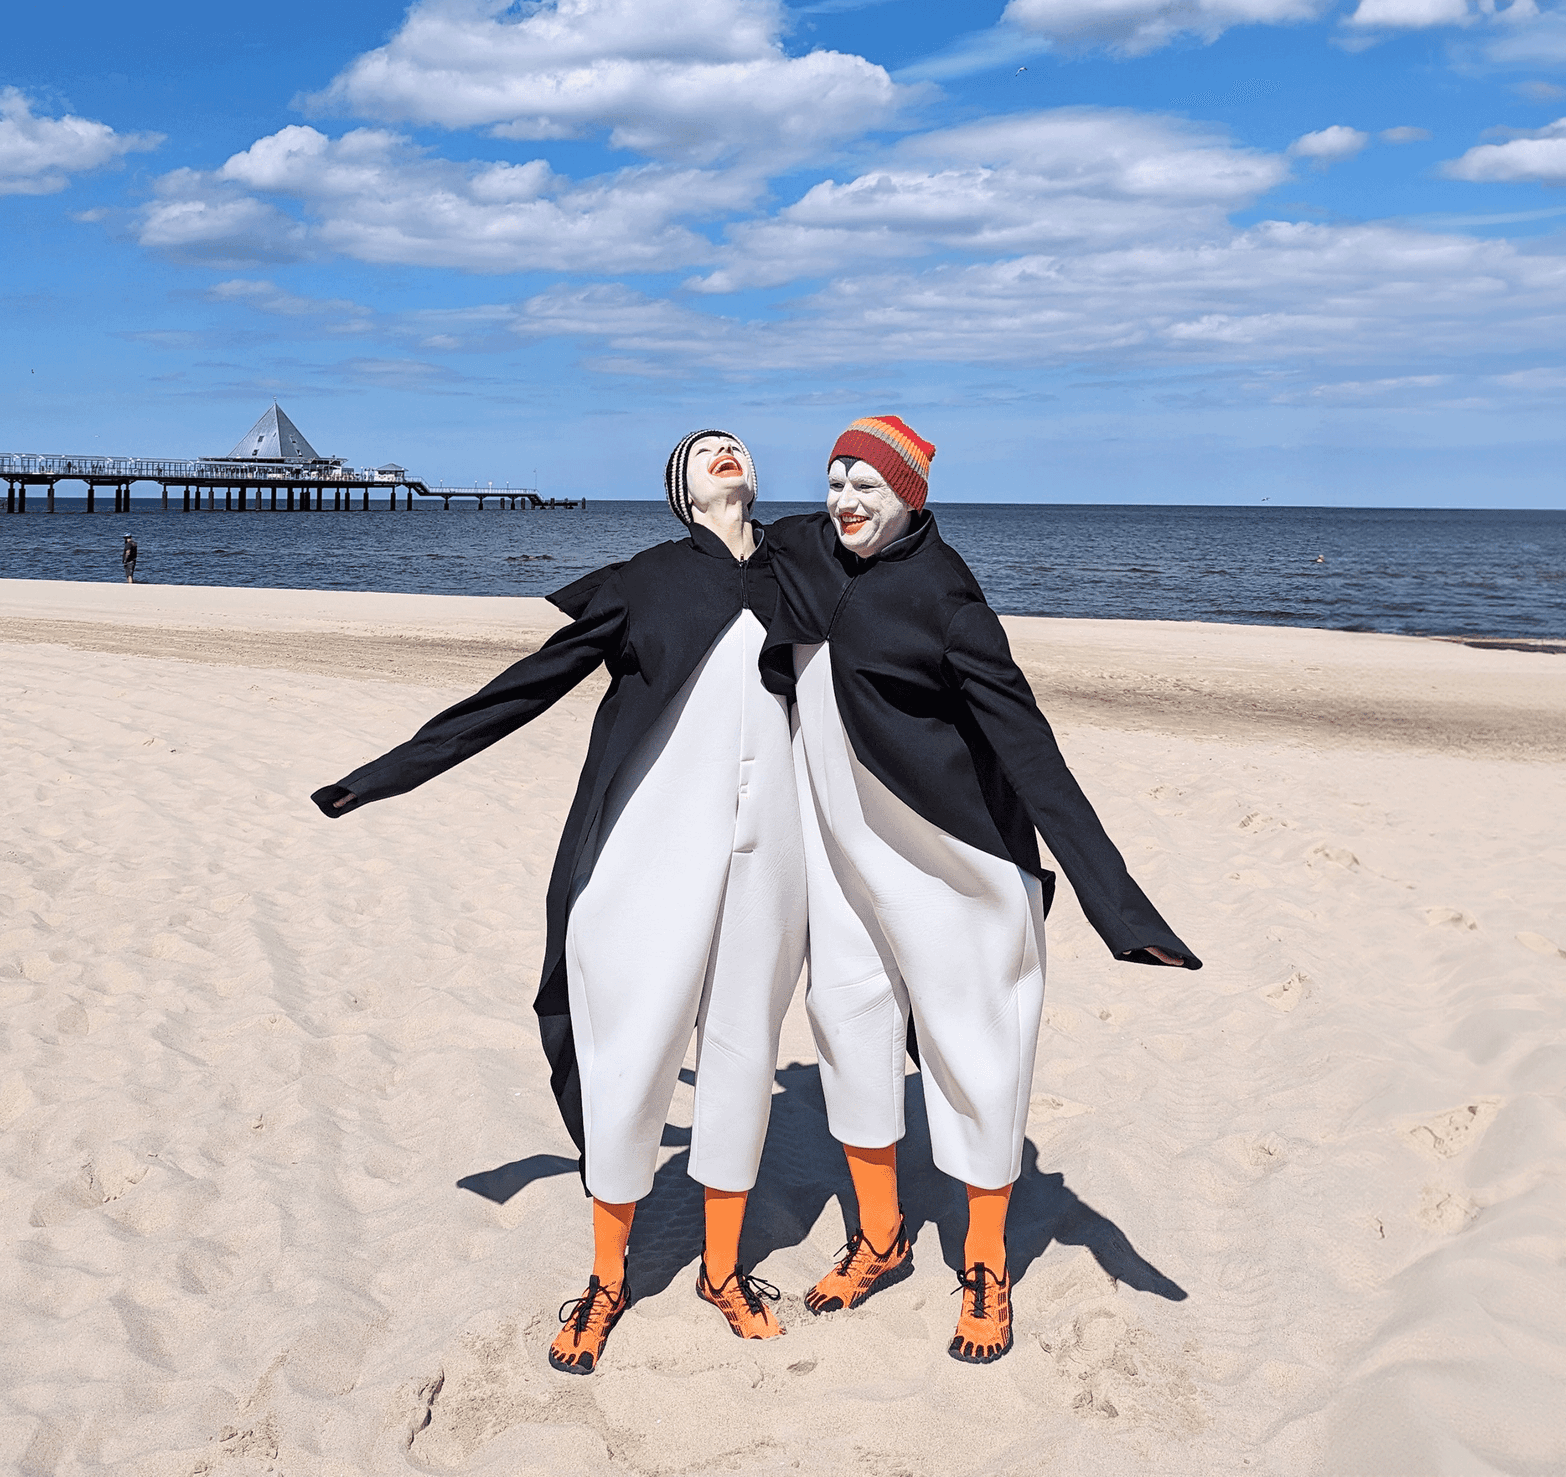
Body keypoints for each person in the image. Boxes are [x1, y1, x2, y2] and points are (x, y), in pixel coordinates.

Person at [309, 431, 806, 1369]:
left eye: (734, 443)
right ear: (682, 490)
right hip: (655, 849)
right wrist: (387, 773)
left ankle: (724, 1269)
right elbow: (526, 687)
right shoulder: (643, 579)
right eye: (703, 451)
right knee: (633, 1048)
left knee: (744, 1052)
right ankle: (609, 1278)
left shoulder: (801, 567)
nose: (725, 451)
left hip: (771, 857)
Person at [760, 416, 1199, 1365]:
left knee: (976, 1060)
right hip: (846, 866)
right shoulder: (805, 547)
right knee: (844, 1031)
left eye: (866, 486)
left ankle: (987, 1266)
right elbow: (735, 554)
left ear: (908, 494)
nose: (844, 501)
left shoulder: (949, 602)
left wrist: (1117, 905)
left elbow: (1030, 751)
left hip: (953, 870)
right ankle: (879, 1237)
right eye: (834, 480)